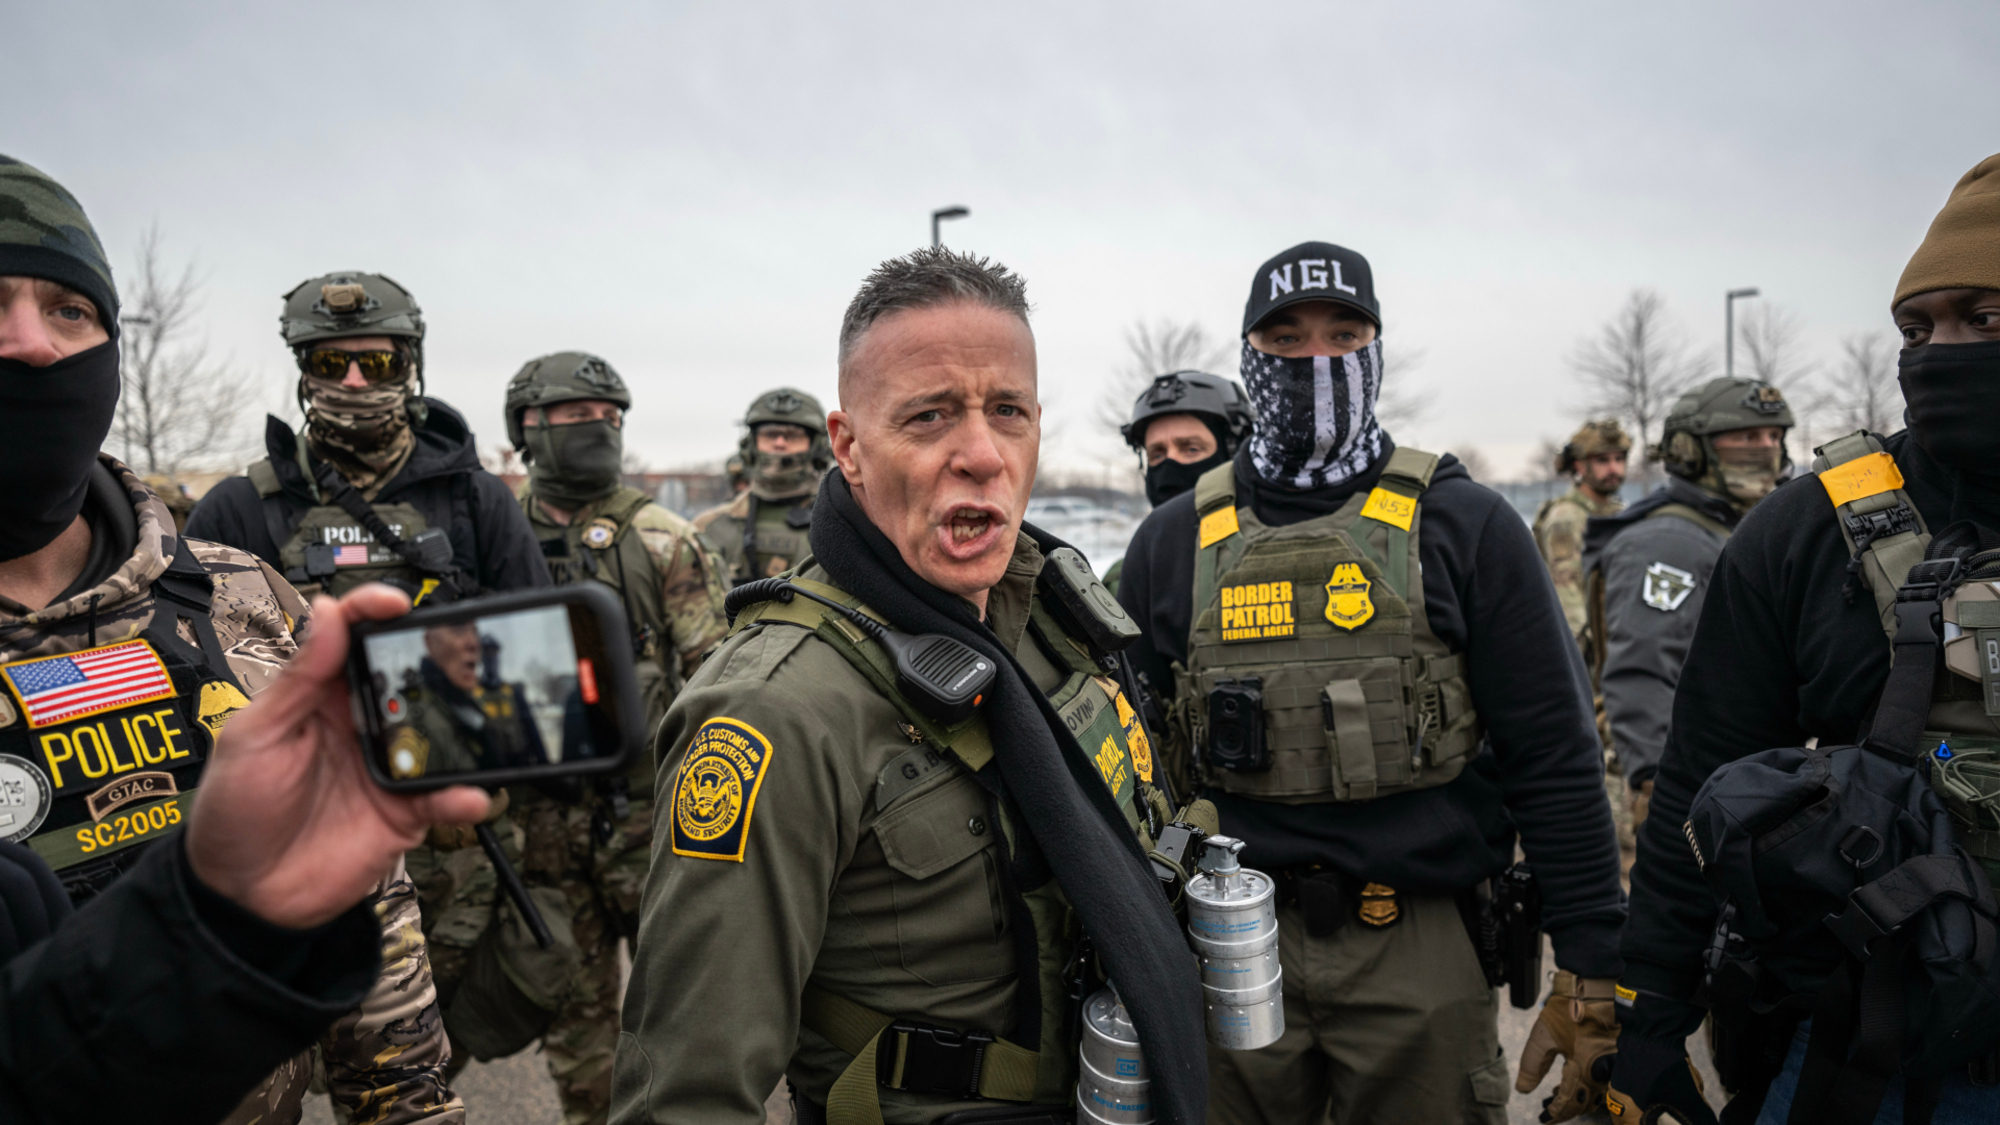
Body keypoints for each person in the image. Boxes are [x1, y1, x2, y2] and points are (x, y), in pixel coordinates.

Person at [612, 247, 1209, 1125]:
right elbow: (685, 1099)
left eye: (1009, 411)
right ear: (848, 447)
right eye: (929, 417)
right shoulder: (773, 710)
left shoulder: (1048, 616)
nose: (983, 455)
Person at [0, 153, 488, 1123]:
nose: (31, 344)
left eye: (70, 309)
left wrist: (406, 1104)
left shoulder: (237, 595)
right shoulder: (250, 502)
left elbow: (361, 889)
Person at [1116, 240, 1627, 1124]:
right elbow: (1126, 768)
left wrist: (1595, 961)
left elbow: (1551, 750)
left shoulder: (1463, 523)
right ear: (1249, 357)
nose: (1316, 360)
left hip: (1417, 938)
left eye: (1342, 334)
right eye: (1285, 340)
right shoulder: (1170, 543)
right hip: (1226, 938)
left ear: (1377, 350)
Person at [1611, 156, 2000, 1125]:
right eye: (1916, 326)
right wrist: (1646, 1014)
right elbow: (1696, 783)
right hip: (1863, 1060)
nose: (1939, 351)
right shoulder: (1803, 531)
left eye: (1983, 319)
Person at [504, 350, 730, 1123]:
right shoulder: (494, 537)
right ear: (527, 427)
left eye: (608, 417)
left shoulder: (664, 539)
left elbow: (717, 686)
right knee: (579, 1036)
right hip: (544, 824)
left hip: (649, 819)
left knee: (686, 1014)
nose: (596, 428)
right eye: (574, 417)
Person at [185, 270, 547, 602]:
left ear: (409, 368)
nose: (353, 380)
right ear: (305, 374)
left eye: (377, 363)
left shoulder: (477, 499)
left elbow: (540, 635)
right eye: (329, 363)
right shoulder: (235, 509)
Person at [1581, 380, 1791, 837]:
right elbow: (1641, 673)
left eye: (1774, 437)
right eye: (1747, 437)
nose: (1767, 450)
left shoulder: (1732, 529)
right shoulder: (1670, 541)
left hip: (1738, 777)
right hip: (1694, 787)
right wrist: (1663, 789)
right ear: (1690, 449)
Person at [1105, 369, 1256, 592]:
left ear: (1235, 453)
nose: (1170, 466)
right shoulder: (1128, 578)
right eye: (1157, 454)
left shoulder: (1275, 554)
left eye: (1191, 449)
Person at [692, 387, 831, 585]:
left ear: (816, 447)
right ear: (750, 445)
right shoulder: (709, 527)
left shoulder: (841, 525)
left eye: (792, 435)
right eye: (770, 434)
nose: (779, 444)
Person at [382, 624, 552, 779]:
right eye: (458, 628)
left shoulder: (463, 704)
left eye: (475, 631)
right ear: (429, 641)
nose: (474, 643)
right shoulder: (416, 718)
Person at [1533, 419, 1631, 641]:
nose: (1614, 468)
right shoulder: (1567, 517)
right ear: (1579, 466)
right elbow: (1567, 592)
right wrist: (1588, 652)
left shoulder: (1617, 512)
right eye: (1602, 460)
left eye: (1619, 458)